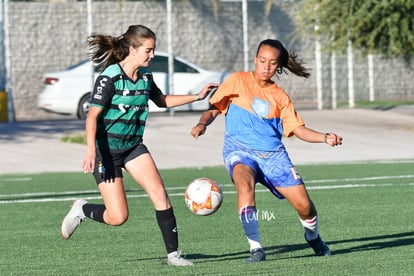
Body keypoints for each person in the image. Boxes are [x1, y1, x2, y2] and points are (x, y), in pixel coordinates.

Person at [60, 24, 218, 267]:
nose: (152, 55)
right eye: (149, 50)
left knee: (160, 195)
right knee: (118, 217)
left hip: (133, 147)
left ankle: (174, 255)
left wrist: (197, 96)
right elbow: (92, 116)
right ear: (132, 49)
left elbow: (162, 100)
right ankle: (82, 209)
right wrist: (91, 150)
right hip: (106, 151)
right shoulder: (110, 77)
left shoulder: (145, 77)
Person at [191, 39, 343, 263]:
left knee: (305, 207)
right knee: (244, 184)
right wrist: (202, 123)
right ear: (255, 59)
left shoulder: (280, 97)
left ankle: (313, 237)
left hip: (272, 155)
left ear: (278, 66)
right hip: (239, 150)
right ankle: (256, 248)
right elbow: (214, 109)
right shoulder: (236, 81)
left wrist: (324, 137)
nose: (266, 66)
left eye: (272, 63)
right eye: (262, 61)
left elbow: (298, 129)